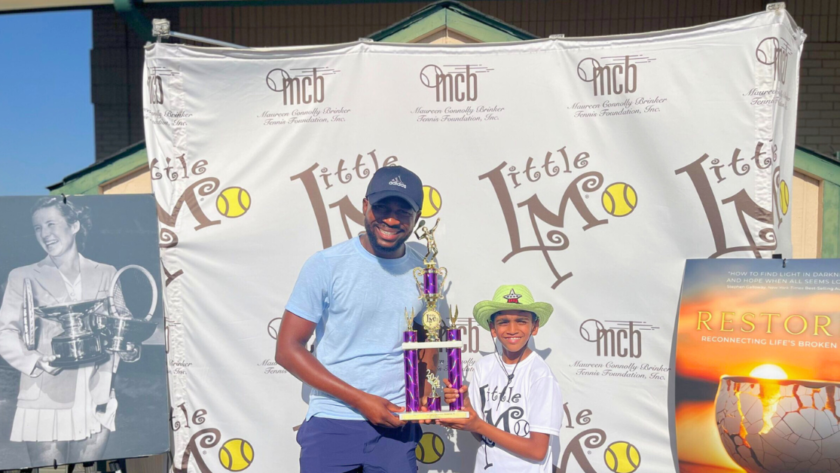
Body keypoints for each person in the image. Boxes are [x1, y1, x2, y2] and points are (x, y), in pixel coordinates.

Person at [275, 165, 435, 473]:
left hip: (397, 425)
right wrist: (361, 400)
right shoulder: (326, 265)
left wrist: (424, 397)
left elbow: (428, 338)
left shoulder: (424, 271)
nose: (390, 219)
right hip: (332, 422)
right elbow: (287, 350)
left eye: (403, 211)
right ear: (364, 206)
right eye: (381, 208)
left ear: (417, 218)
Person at [0, 197, 122, 466]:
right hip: (45, 395)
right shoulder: (22, 276)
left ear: (75, 225)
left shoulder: (106, 273)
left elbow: (119, 329)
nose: (45, 234)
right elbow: (5, 331)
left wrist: (124, 349)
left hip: (96, 394)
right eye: (37, 228)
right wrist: (33, 361)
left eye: (51, 224)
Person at [440, 284, 563, 473]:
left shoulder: (540, 375)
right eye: (503, 322)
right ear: (493, 328)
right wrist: (466, 406)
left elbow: (538, 451)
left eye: (521, 321)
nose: (512, 329)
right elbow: (481, 436)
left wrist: (479, 425)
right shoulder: (483, 367)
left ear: (535, 326)